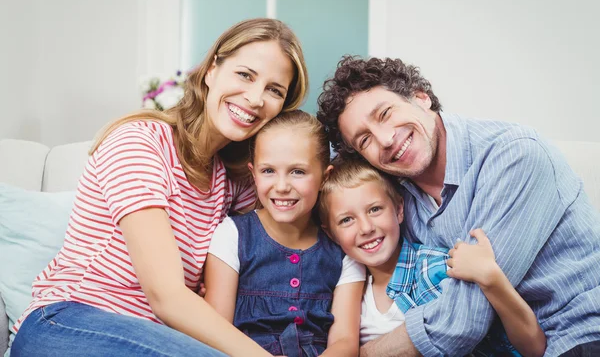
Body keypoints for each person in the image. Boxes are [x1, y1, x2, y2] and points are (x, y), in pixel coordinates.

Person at [11, 18, 309, 357]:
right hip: (65, 324)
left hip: (154, 339)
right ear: (211, 70)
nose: (256, 98)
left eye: (274, 90)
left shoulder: (234, 181)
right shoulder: (139, 142)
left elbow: (293, 237)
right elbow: (166, 296)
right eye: (245, 75)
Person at [317, 56, 600, 357]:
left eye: (385, 114)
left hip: (573, 337)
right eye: (365, 140)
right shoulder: (397, 194)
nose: (385, 139)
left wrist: (362, 354)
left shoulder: (515, 157)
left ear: (420, 97)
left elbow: (463, 321)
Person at [318, 159, 546, 357]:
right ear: (331, 233)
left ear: (399, 209)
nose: (366, 228)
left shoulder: (435, 267)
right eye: (346, 220)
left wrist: (493, 280)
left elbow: (531, 346)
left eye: (375, 209)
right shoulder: (346, 286)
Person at [204, 110, 365, 357]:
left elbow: (345, 341)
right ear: (253, 173)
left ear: (325, 176)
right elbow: (215, 331)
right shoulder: (232, 235)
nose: (281, 186)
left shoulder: (342, 249)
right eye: (268, 171)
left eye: (297, 171)